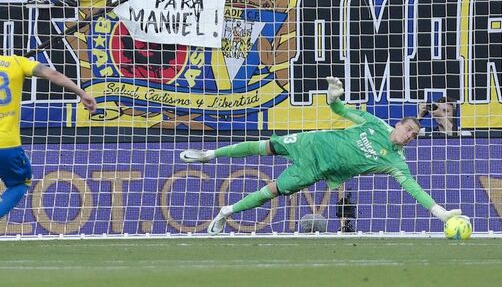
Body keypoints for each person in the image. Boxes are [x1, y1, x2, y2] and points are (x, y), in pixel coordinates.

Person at [180, 76, 463, 235]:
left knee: (272, 190)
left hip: (315, 170)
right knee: (263, 146)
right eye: (408, 129)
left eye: (413, 136)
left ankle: (226, 212)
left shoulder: (395, 162)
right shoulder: (374, 123)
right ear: (399, 125)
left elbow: (413, 189)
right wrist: (333, 97)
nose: (409, 135)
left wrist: (441, 214)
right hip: (310, 142)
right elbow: (340, 111)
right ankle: (209, 154)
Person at [0, 29, 97, 253]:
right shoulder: (15, 62)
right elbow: (52, 74)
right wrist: (82, 93)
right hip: (7, 143)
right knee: (20, 183)